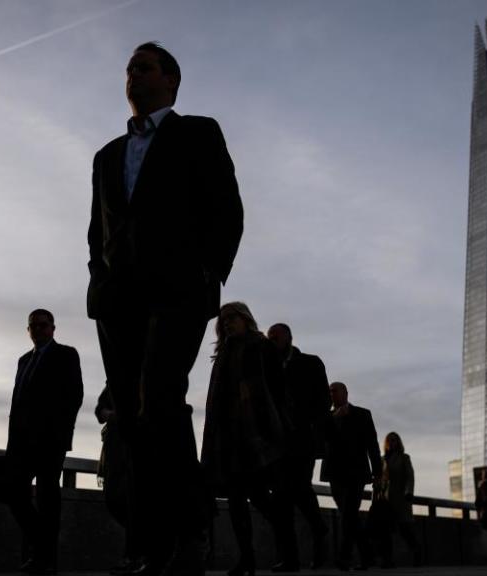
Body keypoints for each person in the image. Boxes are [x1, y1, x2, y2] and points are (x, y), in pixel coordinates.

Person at [86, 41, 243, 576]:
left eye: (145, 66)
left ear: (172, 81)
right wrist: (99, 283)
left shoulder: (198, 133)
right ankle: (149, 547)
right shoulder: (106, 156)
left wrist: (209, 274)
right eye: (129, 67)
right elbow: (97, 234)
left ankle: (192, 530)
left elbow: (227, 208)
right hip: (118, 303)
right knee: (132, 418)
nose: (133, 73)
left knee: (159, 399)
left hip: (177, 291)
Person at [201, 302, 293, 576]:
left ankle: (288, 551)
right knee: (236, 498)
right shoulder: (223, 353)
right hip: (229, 435)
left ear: (246, 319)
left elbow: (277, 391)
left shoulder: (262, 347)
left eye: (233, 318)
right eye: (224, 320)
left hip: (257, 433)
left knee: (260, 497)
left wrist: (274, 428)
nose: (228, 323)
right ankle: (247, 558)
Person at [6, 309, 84, 575]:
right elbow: (16, 404)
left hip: (50, 441)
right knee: (15, 492)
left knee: (48, 497)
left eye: (43, 325)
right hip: (21, 442)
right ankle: (43, 546)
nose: (38, 330)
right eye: (33, 326)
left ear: (53, 328)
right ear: (28, 331)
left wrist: (60, 433)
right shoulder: (23, 360)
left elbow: (75, 395)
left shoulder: (66, 354)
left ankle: (44, 558)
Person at [266, 322, 331, 569]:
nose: (272, 341)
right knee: (282, 497)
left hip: (303, 439)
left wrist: (316, 433)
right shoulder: (268, 367)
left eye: (276, 337)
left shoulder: (311, 363)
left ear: (289, 338)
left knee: (300, 488)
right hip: (277, 440)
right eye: (269, 337)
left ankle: (318, 528)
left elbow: (323, 402)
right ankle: (291, 558)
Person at [320, 382, 381, 571]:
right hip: (335, 473)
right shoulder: (327, 417)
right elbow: (321, 441)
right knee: (349, 516)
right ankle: (367, 555)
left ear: (346, 393)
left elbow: (372, 444)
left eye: (335, 391)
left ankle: (344, 557)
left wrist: (377, 471)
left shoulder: (363, 414)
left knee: (348, 514)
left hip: (356, 472)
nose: (332, 394)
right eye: (330, 392)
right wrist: (333, 421)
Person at [94, 388, 139, 574]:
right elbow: (100, 410)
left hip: (135, 447)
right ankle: (138, 550)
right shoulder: (112, 382)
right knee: (114, 499)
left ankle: (133, 555)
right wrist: (109, 414)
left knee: (131, 501)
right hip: (114, 448)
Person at [372, 432, 420, 568]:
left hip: (400, 500)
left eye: (395, 440)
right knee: (384, 532)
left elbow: (410, 477)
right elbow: (377, 481)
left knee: (405, 529)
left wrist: (409, 492)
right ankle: (387, 560)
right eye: (390, 440)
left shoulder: (404, 458)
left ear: (399, 442)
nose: (393, 443)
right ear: (386, 443)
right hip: (384, 502)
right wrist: (375, 499)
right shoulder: (381, 460)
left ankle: (417, 553)